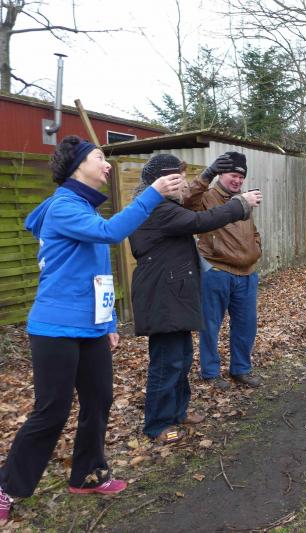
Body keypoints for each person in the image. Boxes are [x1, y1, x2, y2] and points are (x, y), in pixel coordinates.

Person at [0, 136, 183, 525]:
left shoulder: (84, 209)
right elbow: (112, 233)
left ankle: (88, 474)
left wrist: (108, 322)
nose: (107, 164)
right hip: (54, 328)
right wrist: (152, 193)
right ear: (77, 165)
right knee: (52, 411)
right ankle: (6, 487)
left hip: (90, 328)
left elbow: (98, 273)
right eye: (100, 157)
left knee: (98, 400)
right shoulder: (64, 207)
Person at [128, 155, 263, 444]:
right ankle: (157, 425)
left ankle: (177, 412)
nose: (183, 184)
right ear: (162, 181)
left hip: (174, 294)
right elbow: (201, 220)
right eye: (178, 178)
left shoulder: (164, 206)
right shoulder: (157, 209)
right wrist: (240, 204)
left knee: (182, 357)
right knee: (166, 363)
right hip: (162, 296)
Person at [183, 152, 263, 389]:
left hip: (247, 273)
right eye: (232, 175)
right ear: (221, 174)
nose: (237, 180)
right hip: (217, 271)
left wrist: (256, 247)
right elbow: (187, 201)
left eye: (241, 176)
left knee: (246, 326)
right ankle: (210, 371)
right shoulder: (207, 197)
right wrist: (207, 174)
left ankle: (241, 369)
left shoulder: (244, 199)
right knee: (211, 325)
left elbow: (252, 230)